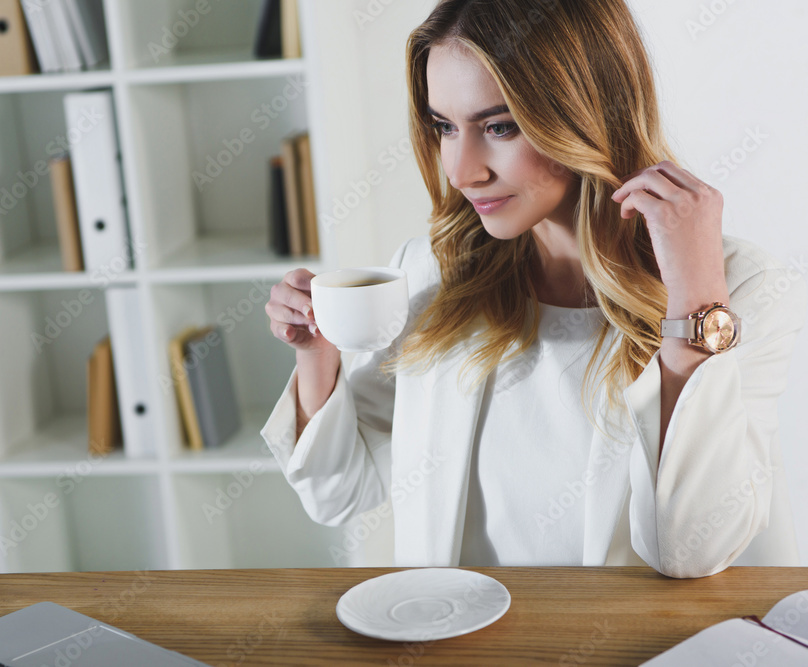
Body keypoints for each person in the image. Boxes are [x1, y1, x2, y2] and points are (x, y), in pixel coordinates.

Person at [260, 0, 807, 578]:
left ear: (588, 111)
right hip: (449, 628)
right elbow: (340, 494)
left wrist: (694, 299)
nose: (462, 171)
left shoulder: (738, 290)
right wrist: (317, 352)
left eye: (499, 126)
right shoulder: (431, 275)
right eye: (445, 127)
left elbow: (689, 552)